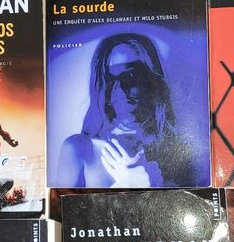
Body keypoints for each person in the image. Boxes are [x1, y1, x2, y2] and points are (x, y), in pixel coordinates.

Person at [57, 33, 181, 188]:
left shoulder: (174, 150)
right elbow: (62, 204)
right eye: (110, 78)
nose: (121, 88)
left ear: (151, 80)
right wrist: (126, 185)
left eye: (131, 75)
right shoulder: (78, 149)